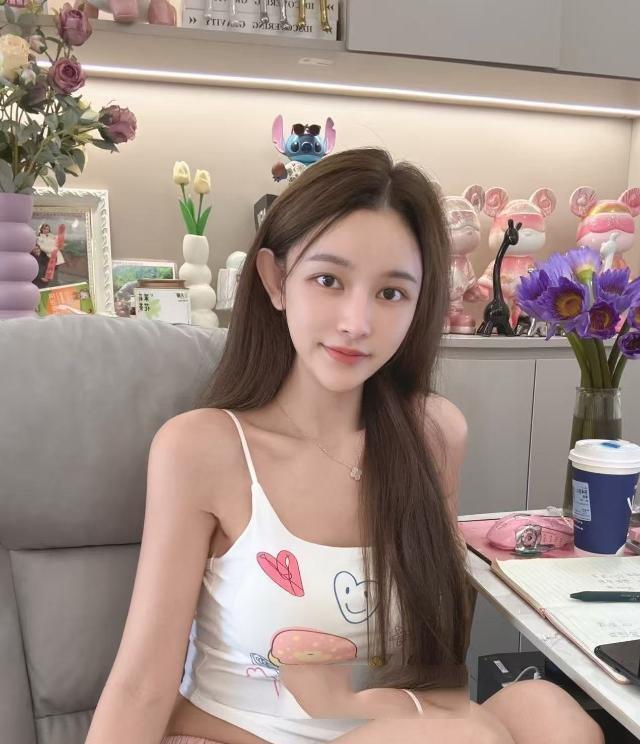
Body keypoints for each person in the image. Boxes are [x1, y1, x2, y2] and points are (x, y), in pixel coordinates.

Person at [85, 148, 604, 744]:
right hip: (239, 735)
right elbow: (141, 686)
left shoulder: (433, 436)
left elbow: (434, 656)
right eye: (328, 280)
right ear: (276, 281)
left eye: (391, 293)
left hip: (386, 729)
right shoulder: (202, 448)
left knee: (550, 713)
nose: (357, 322)